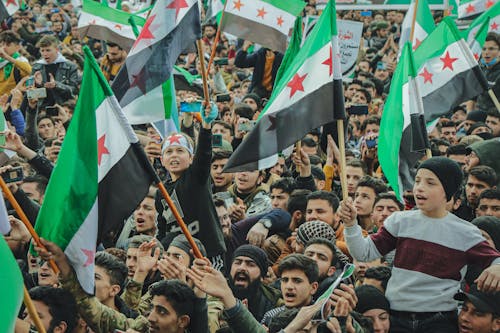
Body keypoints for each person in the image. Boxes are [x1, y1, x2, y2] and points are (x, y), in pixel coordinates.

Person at [339, 157, 500, 333]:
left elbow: (494, 261)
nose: (420, 187)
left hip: (440, 320)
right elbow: (364, 252)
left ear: (448, 190)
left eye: (430, 183)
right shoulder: (400, 221)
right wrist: (351, 224)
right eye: (417, 181)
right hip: (397, 318)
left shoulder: (466, 232)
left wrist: (496, 268)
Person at [155, 106, 226, 270]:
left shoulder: (196, 178)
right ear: (162, 159)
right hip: (178, 257)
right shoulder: (161, 191)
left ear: (191, 158)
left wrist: (206, 127)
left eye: (180, 151)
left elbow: (204, 154)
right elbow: (163, 227)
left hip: (208, 255)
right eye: (169, 152)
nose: (174, 155)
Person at [261, 254, 319, 326]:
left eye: (297, 281)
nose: (289, 286)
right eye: (285, 280)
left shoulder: (321, 317)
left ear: (313, 287)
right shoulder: (270, 316)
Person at [228, 245, 282, 322]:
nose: (242, 268)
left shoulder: (274, 303)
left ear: (262, 277)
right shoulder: (215, 293)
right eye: (238, 263)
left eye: (250, 264)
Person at [31, 35, 79, 107]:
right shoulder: (36, 67)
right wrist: (39, 85)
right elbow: (31, 95)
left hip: (64, 108)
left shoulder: (70, 66)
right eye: (42, 50)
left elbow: (74, 91)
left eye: (48, 50)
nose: (45, 54)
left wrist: (56, 85)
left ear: (56, 50)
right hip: (42, 109)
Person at [0, 30, 31, 95]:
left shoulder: (21, 61)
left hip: (13, 100)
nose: (4, 48)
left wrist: (7, 58)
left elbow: (30, 71)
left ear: (17, 47)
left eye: (8, 45)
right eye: (2, 45)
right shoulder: (1, 62)